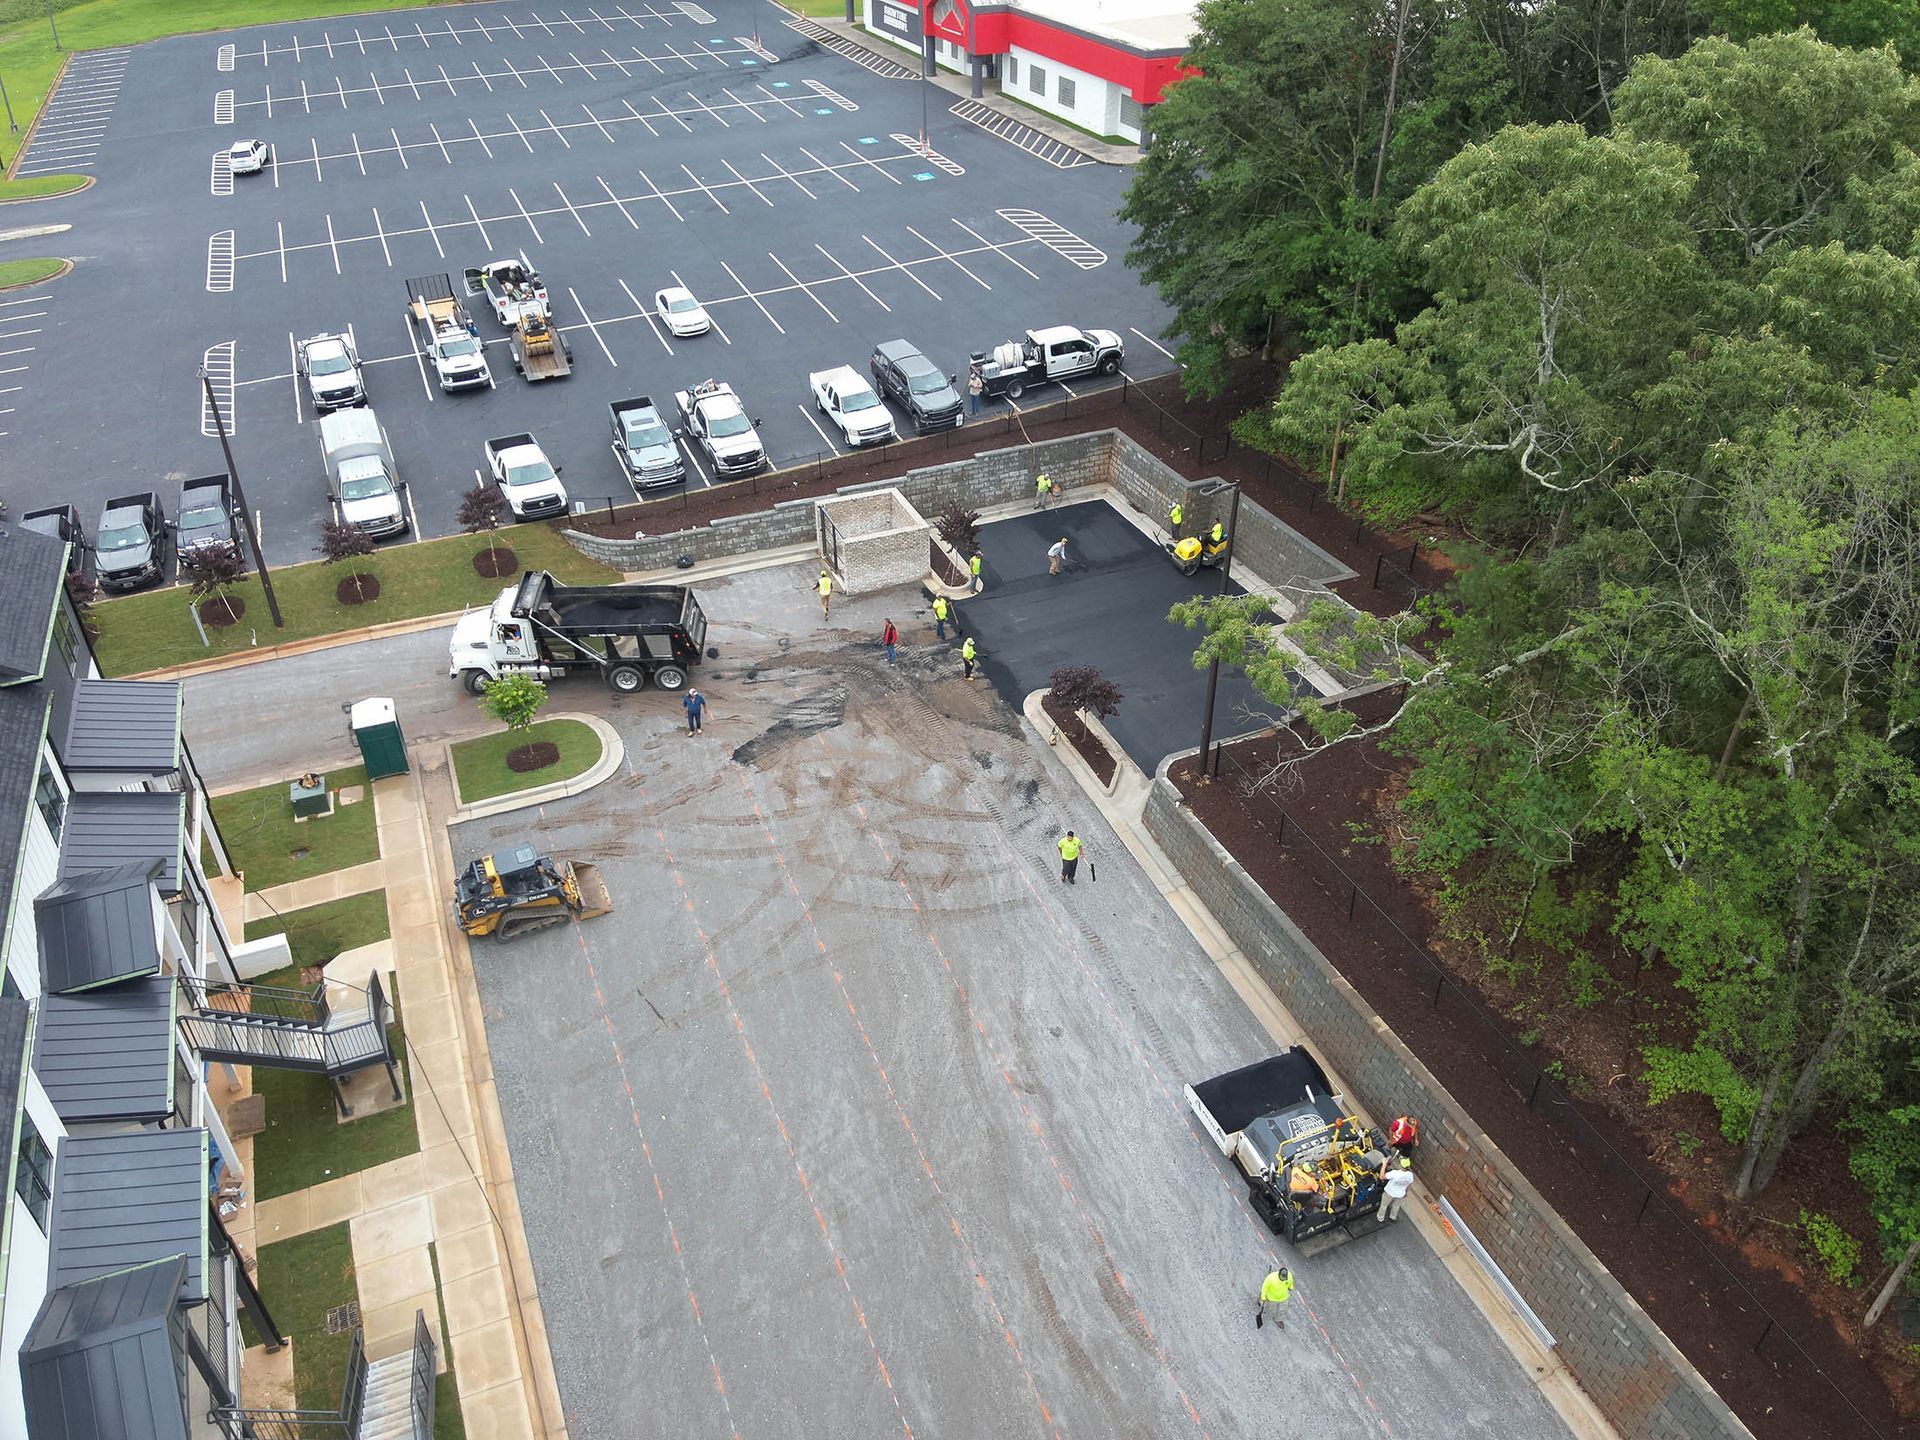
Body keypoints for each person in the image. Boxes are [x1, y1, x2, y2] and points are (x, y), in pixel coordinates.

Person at [1377, 1156, 1415, 1222]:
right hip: (1401, 1194)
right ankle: (1392, 1218)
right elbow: (1409, 1184)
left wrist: (1384, 1164)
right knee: (1396, 1206)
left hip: (1389, 1193)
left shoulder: (1395, 1173)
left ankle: (1380, 1218)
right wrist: (1406, 1192)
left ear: (1400, 1165)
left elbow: (1381, 1177)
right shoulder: (1410, 1175)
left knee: (1384, 1205)